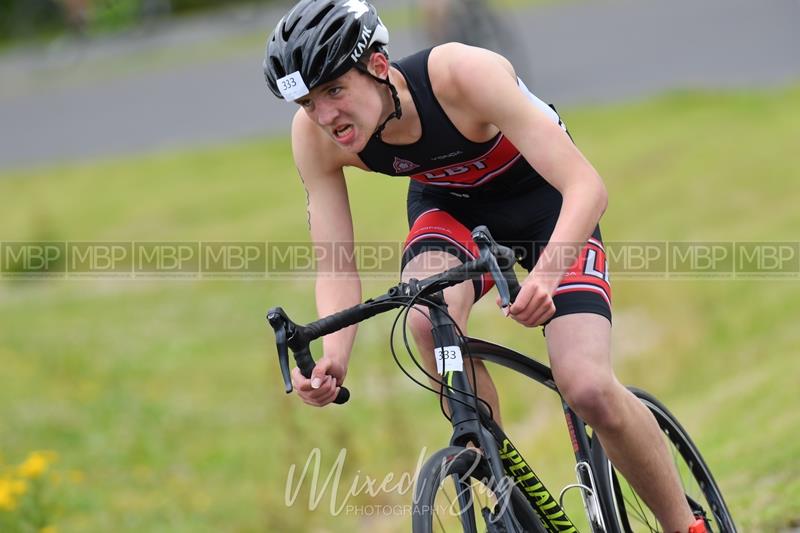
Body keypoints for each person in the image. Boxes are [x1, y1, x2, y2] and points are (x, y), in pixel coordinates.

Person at [263, 1, 706, 532]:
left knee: (586, 386)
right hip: (451, 209)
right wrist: (333, 358)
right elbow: (335, 263)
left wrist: (544, 277)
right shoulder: (314, 136)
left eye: (334, 90)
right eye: (308, 102)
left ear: (378, 66)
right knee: (425, 318)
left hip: (547, 205)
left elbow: (586, 187)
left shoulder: (461, 74)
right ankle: (502, 481)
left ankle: (686, 525)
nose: (325, 116)